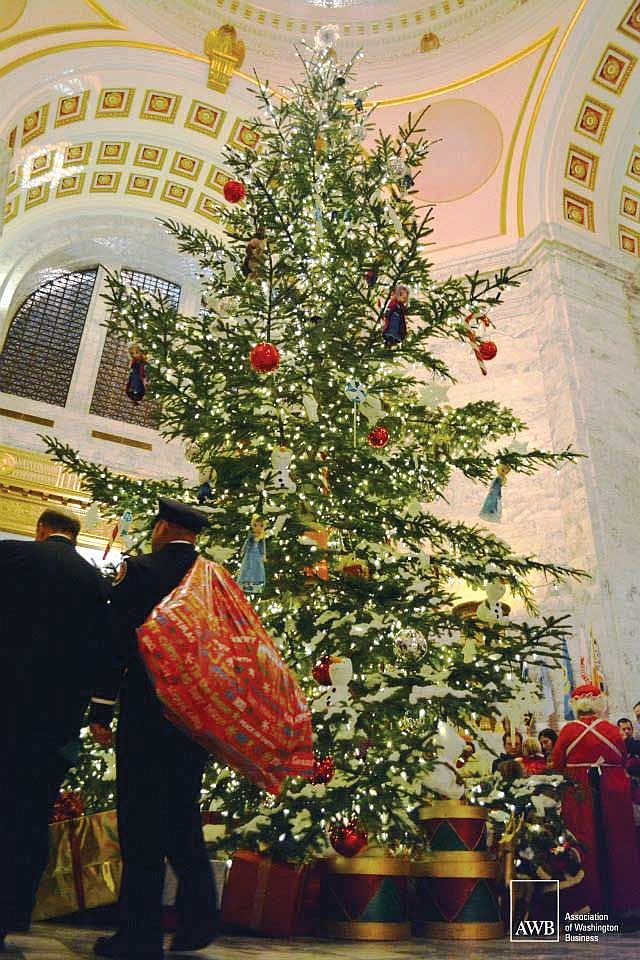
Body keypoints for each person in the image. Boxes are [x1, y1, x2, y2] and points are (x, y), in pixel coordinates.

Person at [89, 498, 217, 960]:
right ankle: (199, 921)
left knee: (141, 823)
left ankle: (139, 936)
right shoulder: (212, 580)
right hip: (195, 719)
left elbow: (115, 641)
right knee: (182, 815)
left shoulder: (139, 571)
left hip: (147, 715)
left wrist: (101, 709)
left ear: (163, 527)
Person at [0, 509, 110, 950]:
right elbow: (102, 655)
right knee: (29, 817)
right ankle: (10, 913)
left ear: (40, 530)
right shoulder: (97, 583)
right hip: (53, 726)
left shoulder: (8, 557)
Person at [552, 684, 640, 918]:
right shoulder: (611, 730)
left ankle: (586, 902)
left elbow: (557, 762)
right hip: (612, 793)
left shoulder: (568, 731)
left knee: (583, 842)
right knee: (617, 842)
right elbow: (622, 758)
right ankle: (621, 900)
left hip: (580, 793)